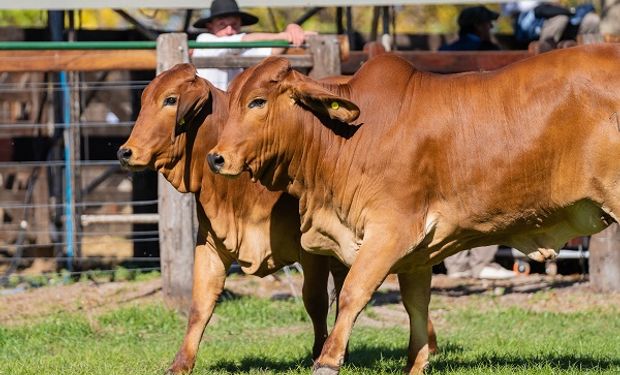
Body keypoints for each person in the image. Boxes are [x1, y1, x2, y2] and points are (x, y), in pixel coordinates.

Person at [192, 0, 315, 89]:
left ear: (240, 25)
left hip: (230, 107)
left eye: (234, 25)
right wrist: (284, 36)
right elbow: (240, 40)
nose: (229, 31)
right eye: (222, 25)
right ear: (210, 27)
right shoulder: (204, 40)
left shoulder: (241, 49)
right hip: (207, 109)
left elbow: (272, 51)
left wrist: (292, 29)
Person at [508, 1, 600, 51]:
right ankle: (546, 47)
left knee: (592, 19)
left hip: (566, 19)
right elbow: (510, 10)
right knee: (561, 18)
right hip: (538, 23)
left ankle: (590, 49)